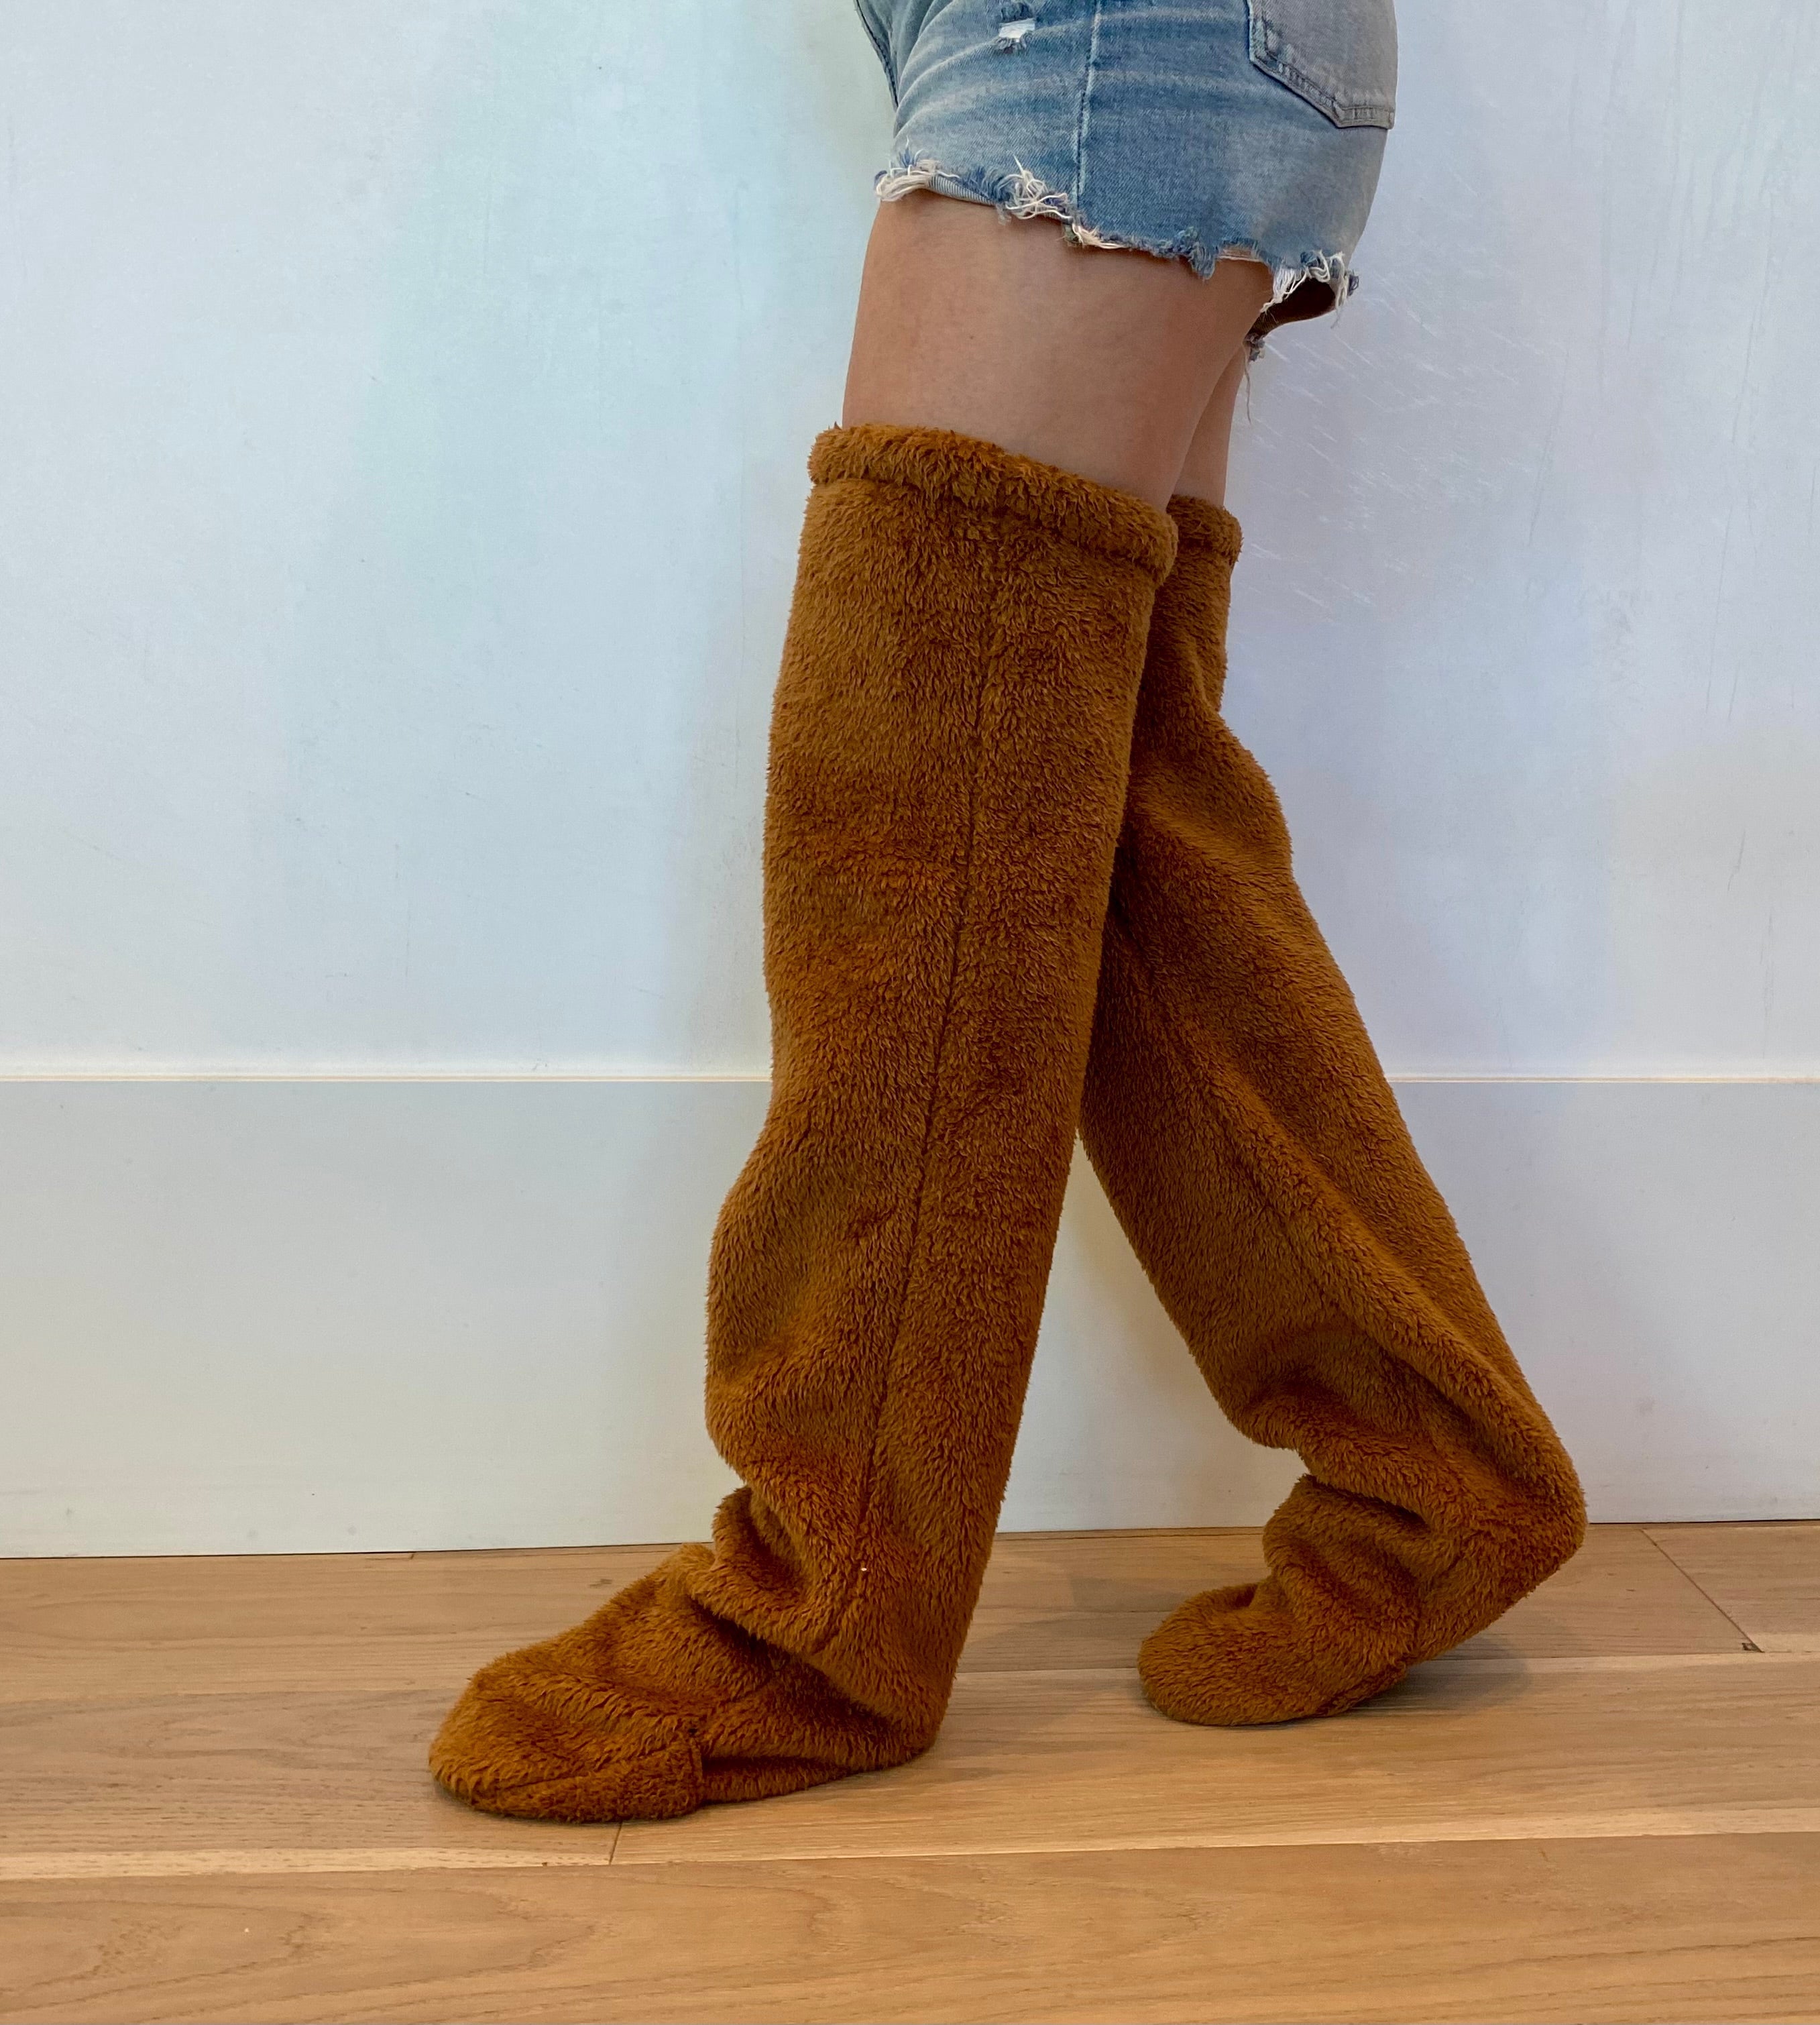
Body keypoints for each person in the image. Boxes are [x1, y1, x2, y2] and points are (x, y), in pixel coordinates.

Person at [429, 0, 1585, 1824]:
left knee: (915, 839)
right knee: (1103, 827)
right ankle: (1433, 1470)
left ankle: (823, 1615)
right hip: (1126, 38)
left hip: (1104, 34)